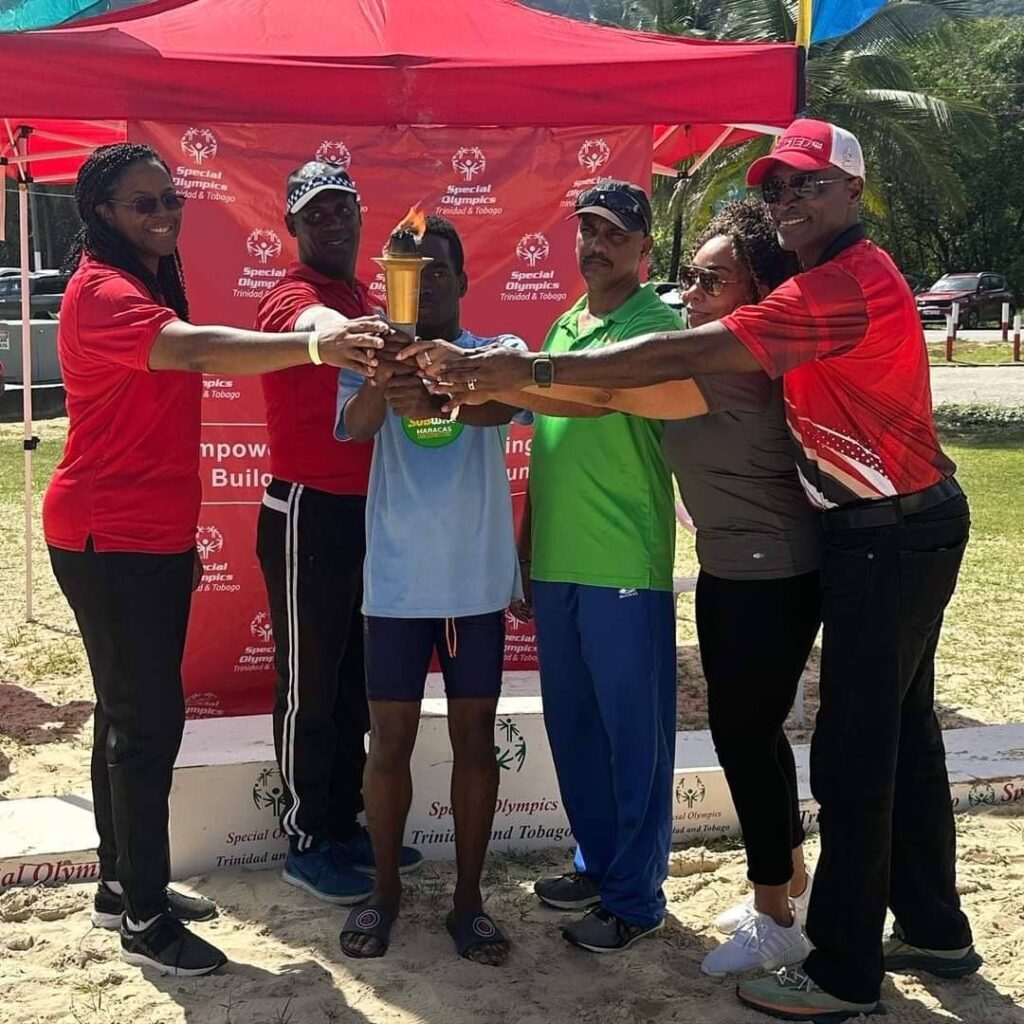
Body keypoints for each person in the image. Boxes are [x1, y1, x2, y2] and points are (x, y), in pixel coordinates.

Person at [428, 120, 981, 1020]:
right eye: (775, 189)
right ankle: (933, 926)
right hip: (872, 531)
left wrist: (512, 365)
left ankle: (841, 970)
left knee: (852, 756)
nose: (789, 201)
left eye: (807, 184)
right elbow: (599, 386)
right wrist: (487, 380)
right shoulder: (809, 286)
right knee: (902, 740)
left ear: (854, 193)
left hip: (888, 533)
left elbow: (657, 367)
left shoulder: (837, 287)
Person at [43, 142, 390, 978]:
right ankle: (145, 916)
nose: (163, 214)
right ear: (101, 213)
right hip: (107, 535)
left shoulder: (147, 279)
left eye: (170, 200)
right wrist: (317, 350)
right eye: (142, 203)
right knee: (145, 726)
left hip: (149, 537)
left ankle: (120, 884)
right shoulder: (104, 293)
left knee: (127, 715)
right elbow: (197, 352)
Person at [412, 180, 683, 954]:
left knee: (635, 737)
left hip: (624, 559)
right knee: (574, 729)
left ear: (644, 249)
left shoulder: (654, 324)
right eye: (586, 231)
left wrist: (508, 373)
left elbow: (594, 399)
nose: (595, 246)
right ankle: (599, 865)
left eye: (614, 234)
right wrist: (528, 544)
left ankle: (636, 897)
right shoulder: (566, 321)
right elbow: (551, 444)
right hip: (561, 558)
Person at [334, 215, 524, 964]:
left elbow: (507, 407)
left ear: (463, 281)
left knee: (476, 742)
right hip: (398, 587)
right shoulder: (370, 354)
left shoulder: (496, 353)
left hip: (473, 587)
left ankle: (468, 903)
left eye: (437, 270)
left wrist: (447, 385)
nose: (425, 282)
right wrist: (388, 376)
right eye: (408, 271)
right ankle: (384, 895)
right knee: (390, 746)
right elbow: (353, 426)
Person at [254, 162, 423, 907]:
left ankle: (347, 822)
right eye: (315, 214)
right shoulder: (293, 296)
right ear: (292, 227)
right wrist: (341, 332)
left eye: (341, 211)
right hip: (307, 510)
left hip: (367, 513)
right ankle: (306, 837)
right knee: (308, 684)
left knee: (354, 684)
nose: (331, 224)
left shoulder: (366, 295)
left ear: (359, 218)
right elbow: (308, 326)